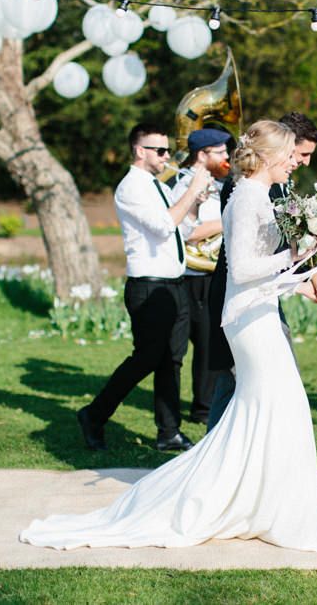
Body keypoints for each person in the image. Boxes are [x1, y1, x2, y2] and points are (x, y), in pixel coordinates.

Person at [20, 120, 317, 552]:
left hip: (257, 313)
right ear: (272, 156)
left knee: (265, 412)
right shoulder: (245, 199)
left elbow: (258, 272)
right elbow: (240, 270)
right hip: (249, 324)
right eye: (290, 156)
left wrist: (298, 277)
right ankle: (243, 500)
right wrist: (294, 256)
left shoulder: (255, 195)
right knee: (276, 405)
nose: (295, 164)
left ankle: (260, 502)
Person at [76, 122, 211, 453]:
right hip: (149, 287)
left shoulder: (158, 185)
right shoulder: (131, 187)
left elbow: (184, 228)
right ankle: (94, 415)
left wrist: (194, 201)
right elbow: (164, 226)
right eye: (160, 151)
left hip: (174, 284)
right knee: (147, 358)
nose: (167, 157)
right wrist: (193, 189)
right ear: (140, 151)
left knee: (172, 360)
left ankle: (169, 431)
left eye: (167, 150)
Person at [206, 112, 317, 431]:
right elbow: (243, 265)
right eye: (299, 153)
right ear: (280, 149)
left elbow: (272, 251)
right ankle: (224, 461)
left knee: (261, 395)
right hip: (243, 302)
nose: (302, 162)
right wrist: (300, 261)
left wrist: (300, 281)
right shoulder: (246, 191)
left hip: (264, 297)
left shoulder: (270, 187)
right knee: (245, 391)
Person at [170, 128, 232, 425]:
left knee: (210, 343)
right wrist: (225, 222)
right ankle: (188, 411)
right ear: (202, 155)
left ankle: (203, 407)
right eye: (219, 152)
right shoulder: (183, 186)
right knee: (184, 346)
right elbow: (188, 232)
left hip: (210, 273)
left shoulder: (218, 185)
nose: (226, 157)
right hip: (191, 275)